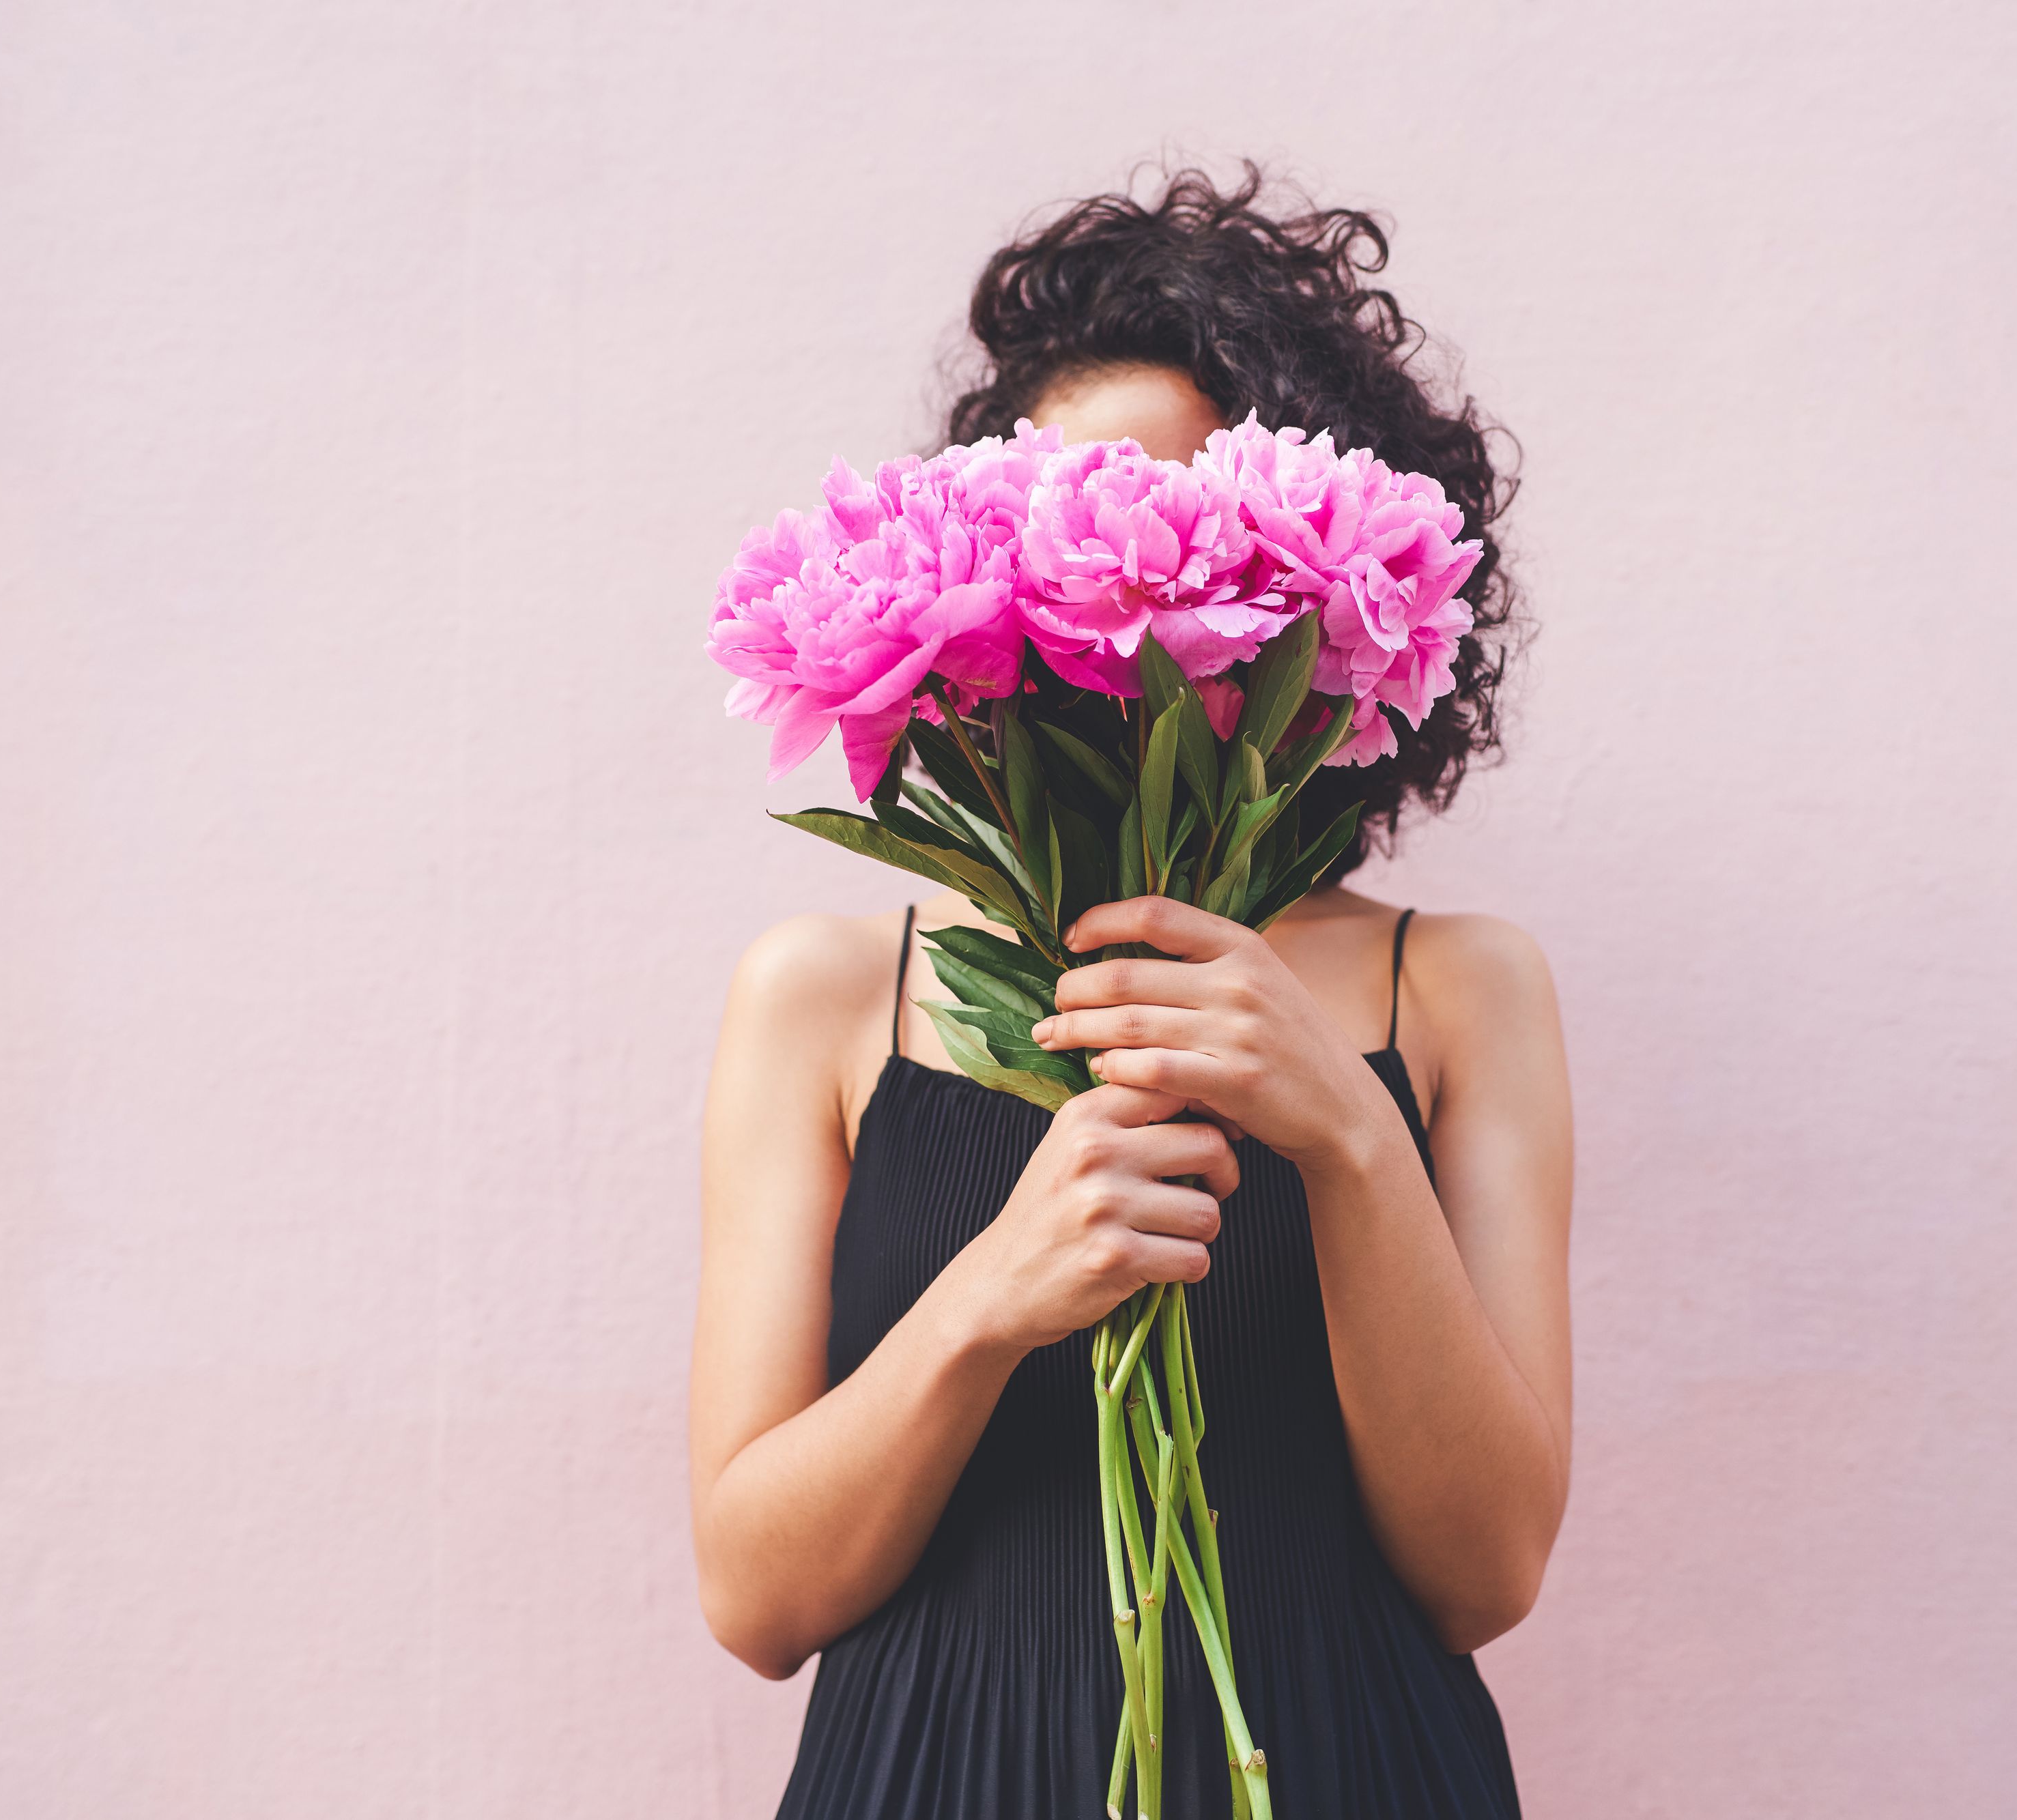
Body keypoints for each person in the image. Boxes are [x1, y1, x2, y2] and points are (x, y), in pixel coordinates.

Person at [691, 169, 1574, 1819]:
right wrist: (990, 1294)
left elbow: (1481, 1574)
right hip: (934, 1774)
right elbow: (755, 1596)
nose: (1104, 573)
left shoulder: (1455, 990)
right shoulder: (822, 997)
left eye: (1172, 511)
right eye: (1041, 520)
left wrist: (1346, 1139)